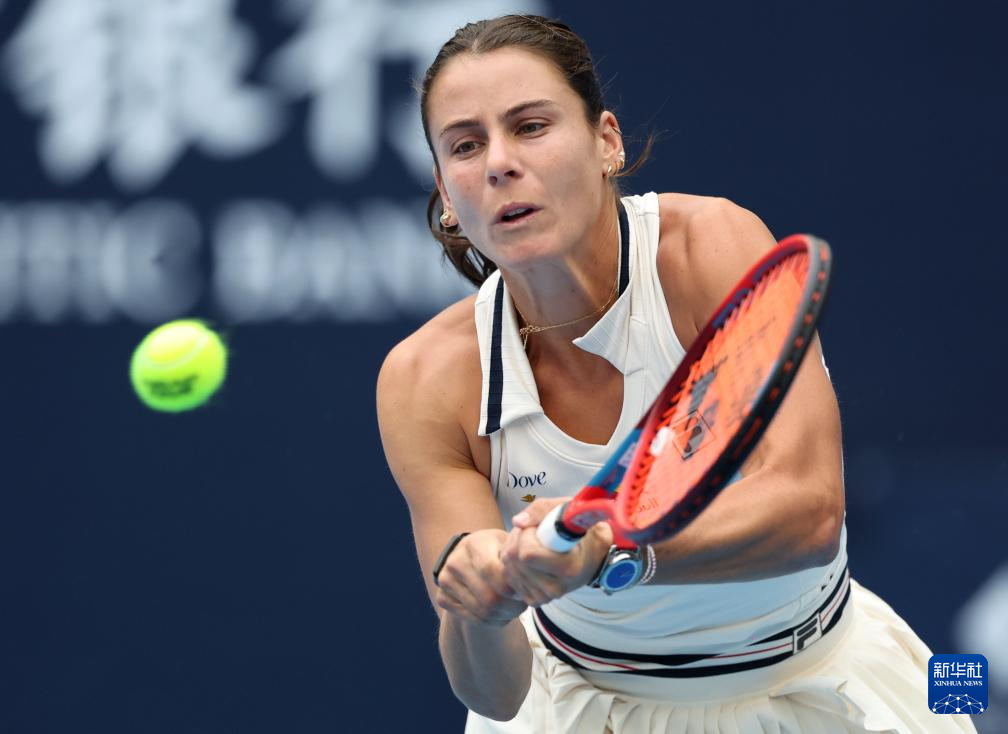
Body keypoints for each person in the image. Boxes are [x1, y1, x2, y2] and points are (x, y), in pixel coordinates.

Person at [377, 14, 976, 734]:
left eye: (531, 127)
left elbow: (812, 513)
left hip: (819, 678)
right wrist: (481, 604)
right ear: (447, 194)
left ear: (606, 141)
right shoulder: (424, 378)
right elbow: (494, 695)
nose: (499, 163)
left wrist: (609, 551)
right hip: (580, 705)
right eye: (466, 146)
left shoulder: (709, 247)